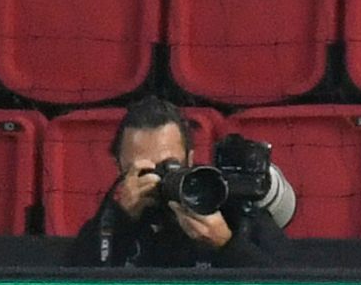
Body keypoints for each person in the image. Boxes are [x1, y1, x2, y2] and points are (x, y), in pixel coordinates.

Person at [65, 98, 289, 268]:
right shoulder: (112, 217)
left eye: (169, 165)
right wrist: (121, 221)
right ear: (119, 167)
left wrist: (226, 244)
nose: (157, 178)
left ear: (189, 159)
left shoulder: (219, 199)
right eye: (143, 169)